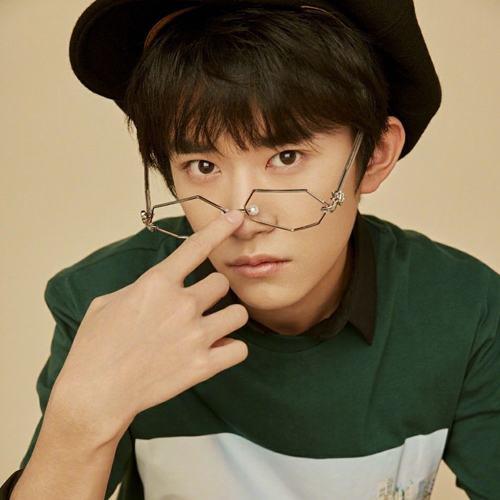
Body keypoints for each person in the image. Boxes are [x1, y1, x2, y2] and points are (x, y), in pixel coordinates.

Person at [3, 0, 499, 499]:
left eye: (286, 156)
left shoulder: (464, 307)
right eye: (202, 166)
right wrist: (82, 419)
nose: (241, 217)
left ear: (374, 155)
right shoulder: (112, 299)